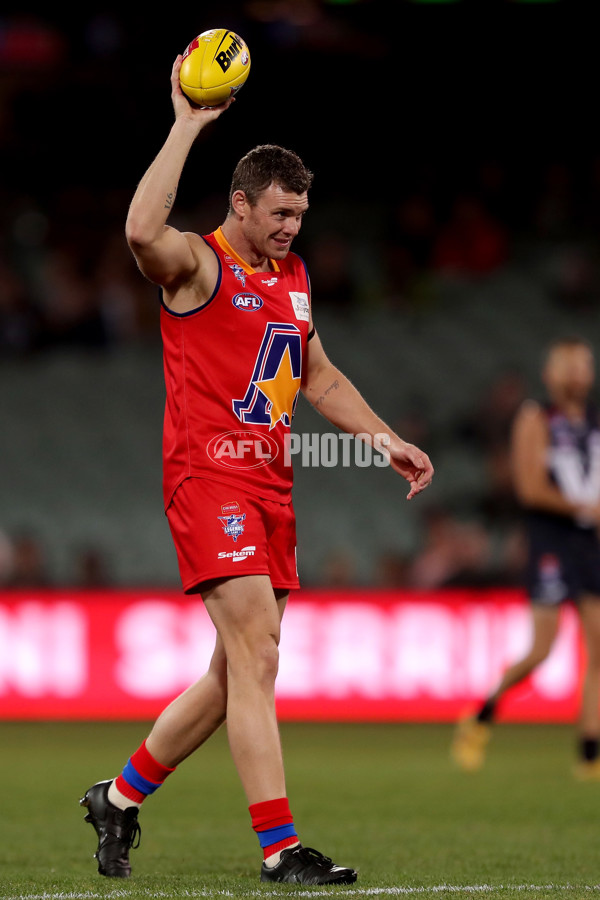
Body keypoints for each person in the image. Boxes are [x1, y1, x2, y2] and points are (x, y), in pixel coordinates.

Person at [79, 55, 434, 885]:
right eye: (278, 213)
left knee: (231, 671)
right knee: (258, 656)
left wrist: (385, 438)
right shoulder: (197, 267)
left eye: (299, 215)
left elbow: (319, 377)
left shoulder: (294, 278)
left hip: (272, 482)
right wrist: (188, 124)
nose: (290, 228)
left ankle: (119, 798)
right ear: (239, 203)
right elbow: (138, 233)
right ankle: (281, 849)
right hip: (208, 476)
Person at [451, 336, 600, 778]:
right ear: (550, 374)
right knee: (542, 648)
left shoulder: (593, 422)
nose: (577, 373)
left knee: (599, 650)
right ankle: (482, 714)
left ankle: (589, 752)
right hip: (552, 541)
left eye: (583, 364)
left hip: (589, 543)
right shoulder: (538, 418)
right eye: (567, 365)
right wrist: (586, 509)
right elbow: (530, 488)